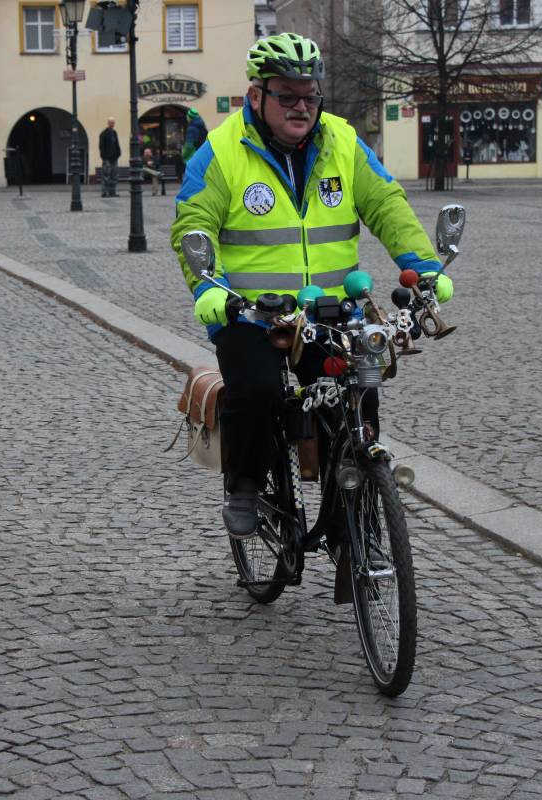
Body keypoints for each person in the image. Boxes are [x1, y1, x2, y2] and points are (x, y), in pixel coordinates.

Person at [169, 32, 450, 537]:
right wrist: (209, 288)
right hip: (251, 313)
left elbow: (387, 205)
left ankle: (356, 507)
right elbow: (193, 223)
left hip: (332, 311)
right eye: (287, 95)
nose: (302, 106)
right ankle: (245, 485)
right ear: (257, 96)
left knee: (360, 393)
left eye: (311, 95)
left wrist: (425, 267)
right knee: (255, 393)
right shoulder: (220, 151)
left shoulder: (342, 141)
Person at [98, 117, 121, 197]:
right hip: (107, 158)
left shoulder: (114, 133)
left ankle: (112, 192)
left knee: (114, 176)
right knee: (106, 175)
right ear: (108, 123)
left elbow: (117, 144)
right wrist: (104, 157)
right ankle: (104, 192)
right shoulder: (103, 133)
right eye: (111, 122)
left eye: (113, 123)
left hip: (114, 158)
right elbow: (101, 146)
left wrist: (118, 153)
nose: (112, 124)